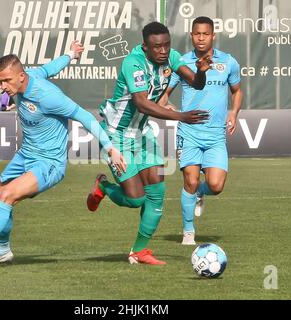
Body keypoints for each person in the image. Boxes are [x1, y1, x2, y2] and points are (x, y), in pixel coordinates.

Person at [0, 41, 127, 272]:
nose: (2, 86)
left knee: (6, 196)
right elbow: (50, 68)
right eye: (0, 80)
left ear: (22, 76)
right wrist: (70, 54)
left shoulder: (47, 96)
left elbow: (85, 117)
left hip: (49, 162)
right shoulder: (30, 75)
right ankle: (2, 251)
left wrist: (111, 148)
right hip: (25, 155)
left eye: (7, 81)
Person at [86, 22, 212, 265]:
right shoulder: (133, 63)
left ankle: (139, 252)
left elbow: (196, 82)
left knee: (157, 193)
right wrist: (180, 116)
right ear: (145, 46)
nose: (163, 51)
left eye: (166, 45)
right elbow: (142, 103)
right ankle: (104, 187)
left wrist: (202, 71)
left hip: (142, 134)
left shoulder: (171, 58)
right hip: (115, 136)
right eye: (157, 47)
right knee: (135, 199)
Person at [159, 16, 243, 245]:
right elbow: (165, 93)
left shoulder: (228, 62)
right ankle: (188, 233)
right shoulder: (182, 62)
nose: (201, 38)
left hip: (216, 134)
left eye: (206, 34)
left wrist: (233, 113)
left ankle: (200, 193)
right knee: (190, 180)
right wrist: (165, 104)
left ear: (213, 36)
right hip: (189, 132)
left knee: (216, 185)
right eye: (197, 33)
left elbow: (237, 91)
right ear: (191, 35)